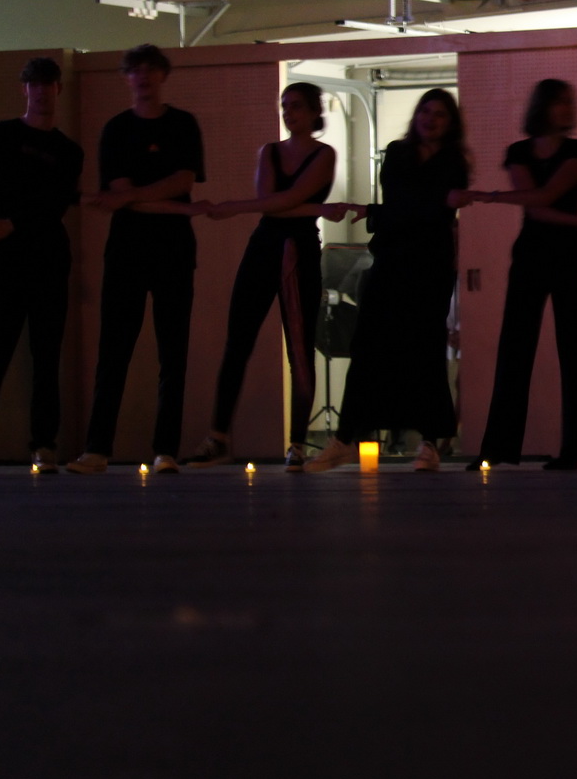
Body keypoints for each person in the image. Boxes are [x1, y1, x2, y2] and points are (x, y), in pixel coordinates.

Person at [458, 79, 577, 471]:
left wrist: (490, 197)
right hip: (533, 253)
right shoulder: (519, 151)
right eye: (559, 102)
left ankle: (572, 449)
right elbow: (537, 207)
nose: (568, 108)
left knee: (574, 350)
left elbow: (545, 197)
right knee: (515, 349)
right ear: (543, 107)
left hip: (567, 254)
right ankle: (499, 447)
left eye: (570, 102)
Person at [306, 89, 469, 472]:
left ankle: (429, 443)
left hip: (430, 267)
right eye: (426, 111)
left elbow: (418, 210)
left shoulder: (454, 162)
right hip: (392, 262)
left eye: (440, 114)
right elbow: (415, 205)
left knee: (426, 351)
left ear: (450, 123)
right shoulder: (398, 153)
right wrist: (409, 207)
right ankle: (347, 438)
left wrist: (377, 212)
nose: (430, 119)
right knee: (368, 347)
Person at [187, 83, 347, 470]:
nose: (288, 113)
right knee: (237, 341)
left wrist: (237, 206)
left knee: (299, 348)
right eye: (284, 106)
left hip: (298, 251)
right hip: (264, 246)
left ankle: (297, 444)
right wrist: (318, 209)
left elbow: (281, 202)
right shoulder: (270, 151)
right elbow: (271, 204)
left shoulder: (324, 153)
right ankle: (218, 437)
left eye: (296, 106)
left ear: (314, 111)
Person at [69, 44, 205, 474]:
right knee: (114, 350)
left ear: (162, 75)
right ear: (126, 77)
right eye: (135, 70)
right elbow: (123, 189)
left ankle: (166, 450)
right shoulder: (116, 129)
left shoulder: (182, 124)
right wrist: (149, 198)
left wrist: (130, 198)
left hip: (174, 250)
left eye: (150, 70)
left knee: (173, 352)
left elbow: (183, 179)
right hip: (127, 250)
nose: (143, 77)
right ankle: (97, 449)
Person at [0, 58, 82, 471]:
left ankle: (44, 444)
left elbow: (56, 201)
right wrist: (23, 217)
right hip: (9, 258)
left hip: (48, 257)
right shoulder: (3, 134)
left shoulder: (69, 151)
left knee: (46, 353)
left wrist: (13, 223)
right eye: (34, 84)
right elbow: (13, 187)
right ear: (25, 89)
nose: (41, 91)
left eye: (47, 84)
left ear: (58, 89)